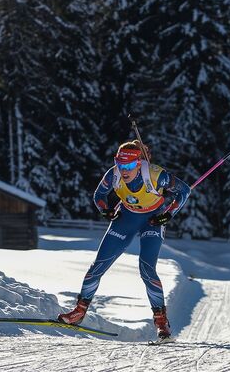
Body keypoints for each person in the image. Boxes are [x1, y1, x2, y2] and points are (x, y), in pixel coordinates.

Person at [57, 139, 191, 341]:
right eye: (120, 163)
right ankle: (79, 312)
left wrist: (168, 214)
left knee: (147, 269)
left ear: (139, 163)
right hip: (126, 218)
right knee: (98, 266)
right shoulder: (114, 174)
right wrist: (106, 210)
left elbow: (184, 190)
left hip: (152, 220)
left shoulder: (155, 175)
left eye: (128, 165)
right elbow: (99, 195)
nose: (124, 169)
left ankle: (161, 323)